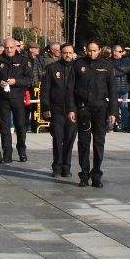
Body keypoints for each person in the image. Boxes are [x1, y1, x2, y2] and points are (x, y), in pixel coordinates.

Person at [73, 40, 118, 188]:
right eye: (89, 50)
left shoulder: (107, 65)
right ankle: (84, 175)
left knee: (99, 143)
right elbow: (71, 90)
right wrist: (72, 109)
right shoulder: (79, 64)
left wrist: (113, 111)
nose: (91, 53)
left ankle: (96, 174)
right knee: (84, 143)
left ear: (99, 50)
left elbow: (112, 90)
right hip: (83, 109)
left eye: (94, 50)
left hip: (100, 109)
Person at [0, 37, 35, 163]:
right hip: (3, 98)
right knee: (4, 127)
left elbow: (29, 79)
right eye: (7, 47)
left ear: (16, 47)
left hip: (18, 97)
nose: (9, 50)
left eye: (11, 47)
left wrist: (16, 81)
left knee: (20, 126)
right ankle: (7, 153)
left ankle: (22, 151)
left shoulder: (24, 60)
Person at [40, 42, 77, 179]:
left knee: (69, 139)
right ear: (60, 53)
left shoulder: (77, 68)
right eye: (65, 52)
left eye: (70, 53)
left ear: (73, 53)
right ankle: (57, 166)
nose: (67, 55)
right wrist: (45, 107)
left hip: (73, 110)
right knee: (58, 138)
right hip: (57, 109)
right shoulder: (52, 68)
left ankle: (66, 167)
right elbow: (45, 90)